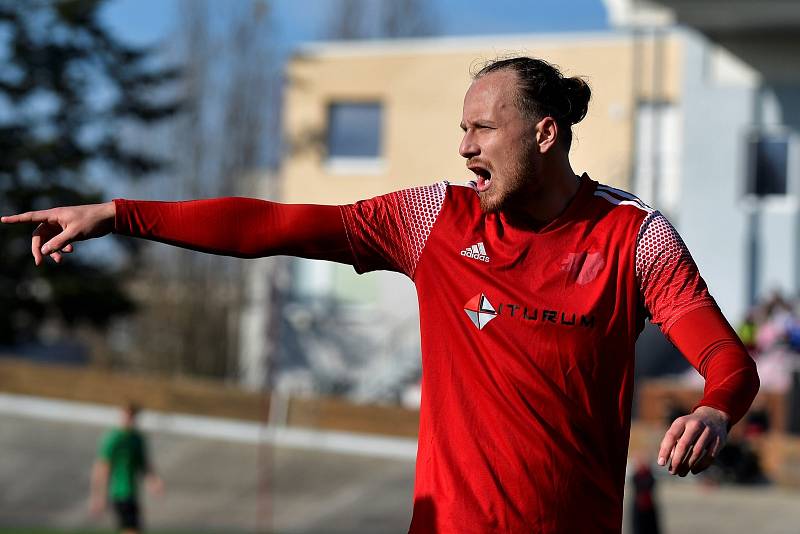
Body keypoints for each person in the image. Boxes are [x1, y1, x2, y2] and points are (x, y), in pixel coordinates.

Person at [2, 56, 759, 533]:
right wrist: (119, 213)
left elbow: (728, 359)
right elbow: (276, 225)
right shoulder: (432, 219)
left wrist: (714, 410)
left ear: (544, 134)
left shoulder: (635, 237)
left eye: (483, 129)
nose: (464, 147)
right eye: (461, 129)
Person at [89, 402, 163, 534]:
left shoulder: (137, 439)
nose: (128, 420)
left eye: (131, 417)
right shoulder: (114, 439)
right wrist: (99, 496)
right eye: (126, 416)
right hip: (119, 492)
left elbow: (144, 464)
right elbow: (102, 468)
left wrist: (153, 480)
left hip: (132, 492)